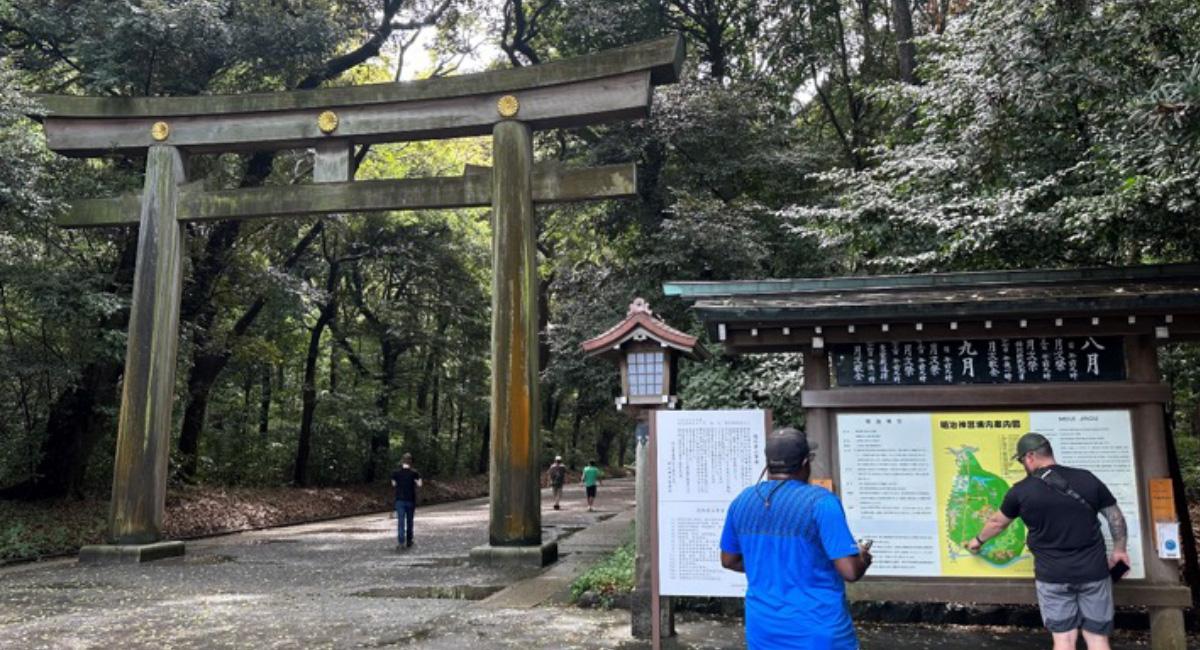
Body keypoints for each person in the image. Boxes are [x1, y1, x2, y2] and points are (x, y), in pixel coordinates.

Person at [967, 433, 1129, 650]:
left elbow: (997, 523)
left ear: (1030, 456)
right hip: (1094, 573)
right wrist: (1120, 550)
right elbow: (1115, 517)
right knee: (1098, 639)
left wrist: (977, 540)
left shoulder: (1021, 491)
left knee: (1064, 640)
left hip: (1053, 577)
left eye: (1021, 459)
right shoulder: (1087, 478)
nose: (1023, 464)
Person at [720, 427, 872, 650]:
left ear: (768, 463)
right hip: (818, 632)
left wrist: (772, 565)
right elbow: (850, 570)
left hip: (763, 632)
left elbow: (729, 560)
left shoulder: (742, 502)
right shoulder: (820, 502)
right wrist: (863, 557)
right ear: (804, 463)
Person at [390, 453, 423, 550]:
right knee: (409, 520)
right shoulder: (415, 473)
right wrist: (415, 482)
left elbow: (393, 484)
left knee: (401, 520)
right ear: (410, 462)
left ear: (402, 461)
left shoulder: (395, 473)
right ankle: (409, 540)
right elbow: (420, 484)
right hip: (410, 499)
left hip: (399, 499)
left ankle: (401, 542)